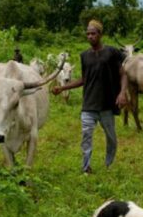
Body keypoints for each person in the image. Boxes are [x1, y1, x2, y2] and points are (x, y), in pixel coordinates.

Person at [52, 20, 129, 174]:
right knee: (86, 136)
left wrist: (122, 93)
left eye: (93, 33)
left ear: (100, 34)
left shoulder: (111, 52)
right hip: (89, 104)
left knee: (111, 138)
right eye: (87, 34)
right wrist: (62, 88)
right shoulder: (84, 56)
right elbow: (84, 79)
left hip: (107, 105)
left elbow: (123, 74)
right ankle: (86, 167)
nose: (90, 36)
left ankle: (109, 164)